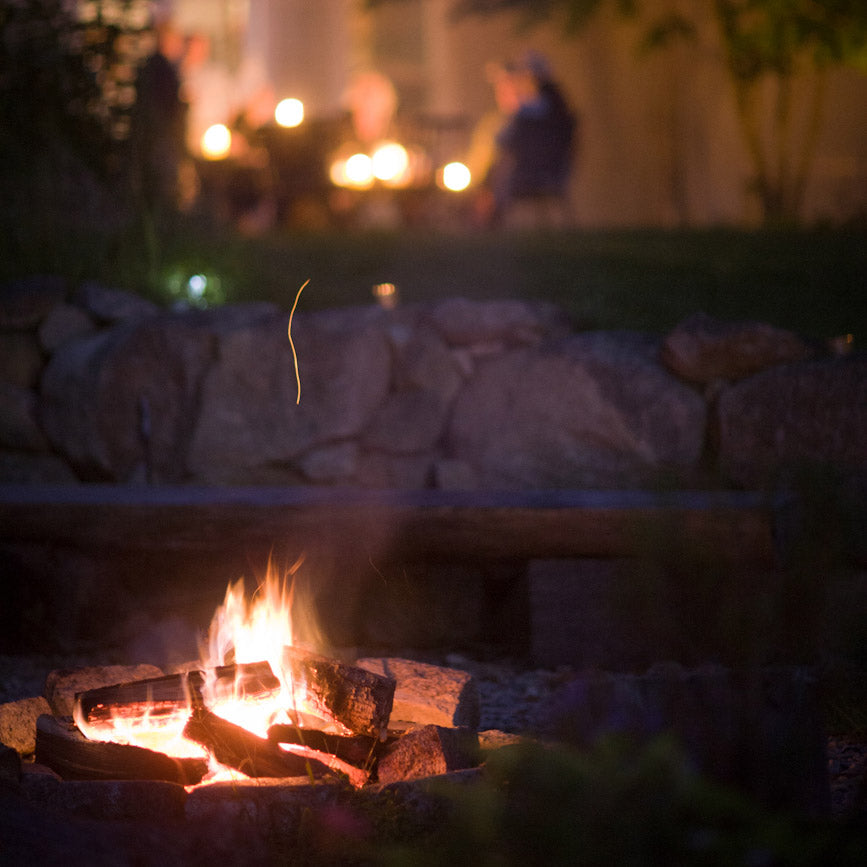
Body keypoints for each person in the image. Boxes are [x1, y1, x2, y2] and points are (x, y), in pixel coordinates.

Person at [481, 52, 577, 228]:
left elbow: (504, 140)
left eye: (524, 76)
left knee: (499, 172)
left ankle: (488, 222)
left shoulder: (537, 108)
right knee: (499, 170)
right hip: (548, 168)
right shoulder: (556, 104)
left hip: (536, 171)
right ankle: (486, 218)